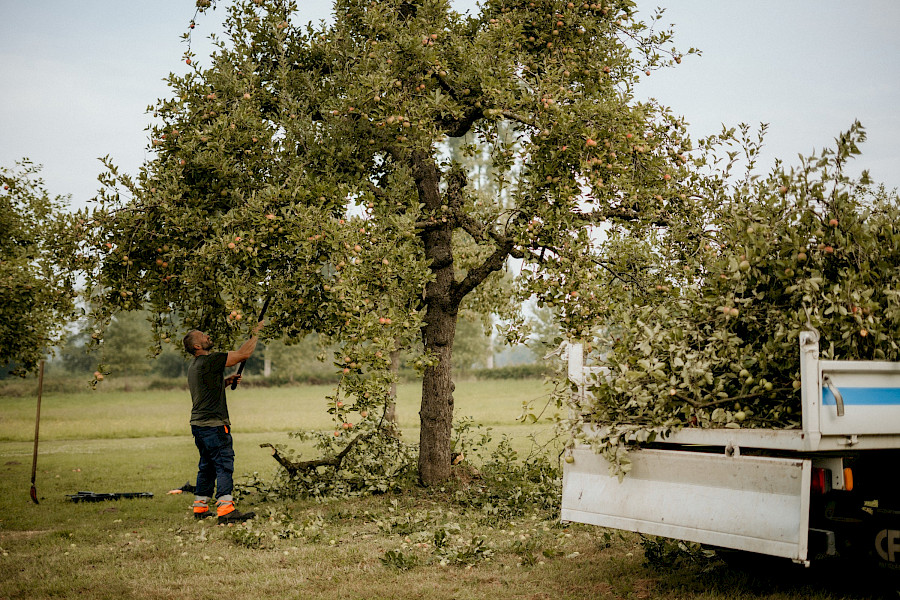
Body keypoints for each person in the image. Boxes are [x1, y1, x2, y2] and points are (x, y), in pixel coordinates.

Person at [182, 320, 264, 523]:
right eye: (202, 336)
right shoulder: (211, 360)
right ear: (197, 346)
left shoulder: (195, 366)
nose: (207, 336)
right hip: (214, 426)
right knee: (224, 464)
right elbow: (243, 354)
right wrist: (256, 333)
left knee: (207, 465)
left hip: (199, 426)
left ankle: (200, 508)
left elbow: (206, 391)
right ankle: (226, 511)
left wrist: (225, 383)